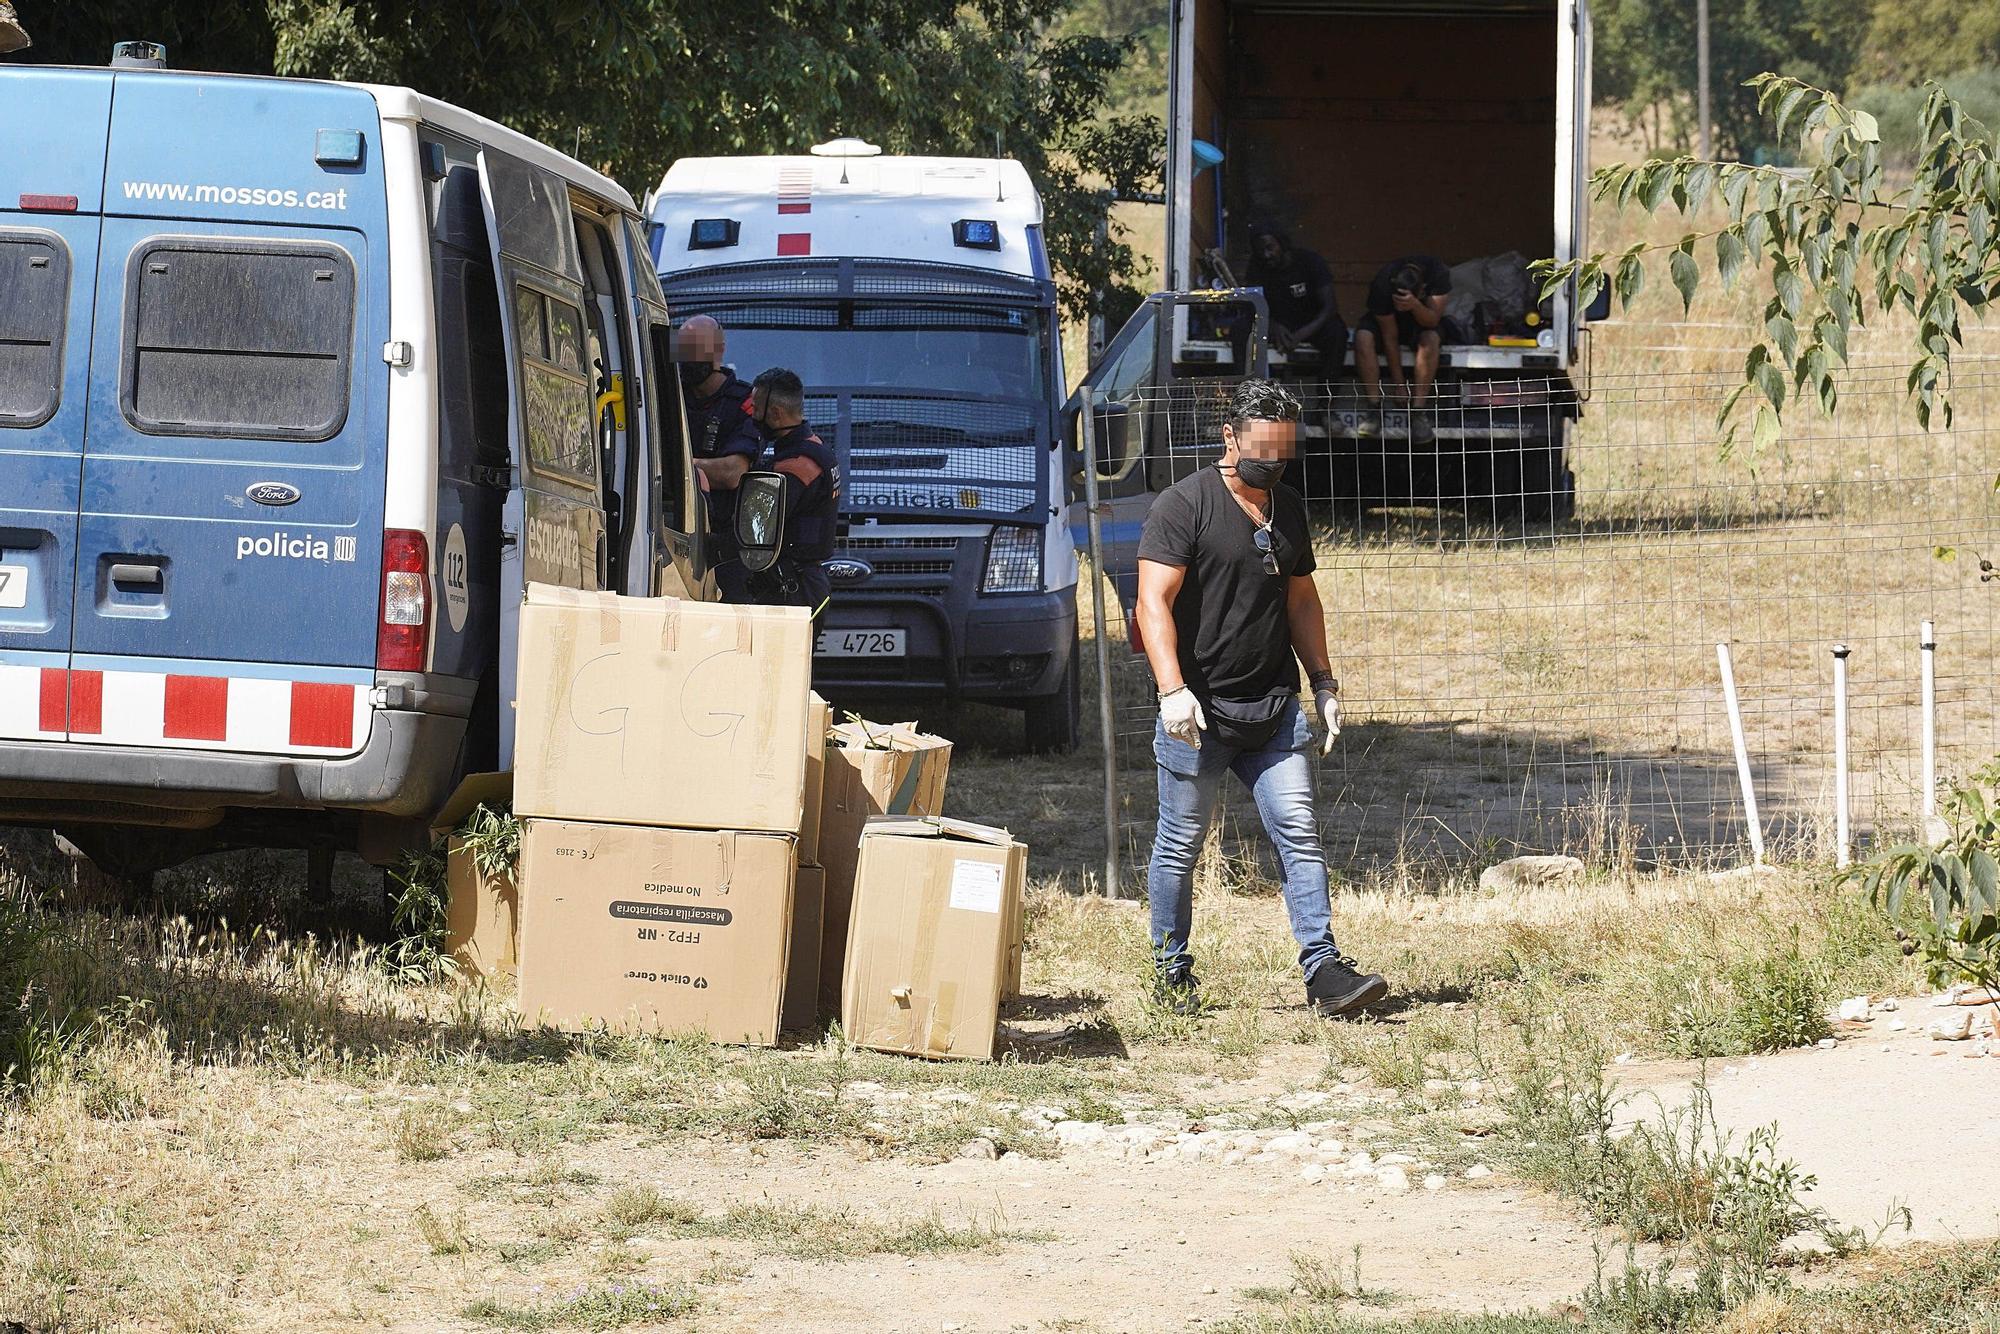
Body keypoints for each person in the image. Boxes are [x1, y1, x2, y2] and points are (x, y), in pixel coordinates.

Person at [1134, 378, 1388, 1019]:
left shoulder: (1288, 509)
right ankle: (1171, 971)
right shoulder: (1182, 506)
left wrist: (1324, 683)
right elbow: (1151, 604)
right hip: (1199, 714)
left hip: (1275, 708)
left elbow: (1301, 599)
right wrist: (1172, 691)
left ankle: (1324, 970)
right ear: (1230, 438)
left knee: (1299, 834)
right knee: (1180, 843)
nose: (1271, 464)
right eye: (1262, 451)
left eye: (1283, 452)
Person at [675, 315, 761, 600]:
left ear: (718, 350)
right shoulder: (670, 394)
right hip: (676, 532)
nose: (689, 358)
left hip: (725, 543)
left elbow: (733, 473)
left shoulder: (744, 400)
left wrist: (680, 463)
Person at [744, 367, 841, 618]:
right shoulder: (814, 446)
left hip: (793, 590)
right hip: (804, 582)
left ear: (775, 413)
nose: (752, 414)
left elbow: (758, 526)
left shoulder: (796, 464)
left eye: (755, 408)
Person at [1353, 255, 1453, 440]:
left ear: (1421, 291)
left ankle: (1418, 413)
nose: (1400, 305)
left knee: (1431, 338)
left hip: (1421, 318)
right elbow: (1390, 338)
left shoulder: (1438, 273)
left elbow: (1432, 320)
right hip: (1388, 324)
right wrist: (1399, 385)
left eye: (1403, 301)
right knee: (1362, 337)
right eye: (1397, 300)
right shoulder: (1383, 283)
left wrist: (1414, 306)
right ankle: (1374, 410)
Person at [1242, 225, 1344, 356]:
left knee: (1336, 331)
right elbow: (1252, 306)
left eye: (1270, 248)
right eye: (1260, 250)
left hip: (1310, 324)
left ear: (1282, 244)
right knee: (1242, 328)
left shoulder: (1309, 261)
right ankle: (1248, 376)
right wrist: (1272, 325)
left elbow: (1330, 308)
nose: (1266, 255)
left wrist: (1301, 334)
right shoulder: (1256, 265)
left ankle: (1328, 377)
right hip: (1277, 325)